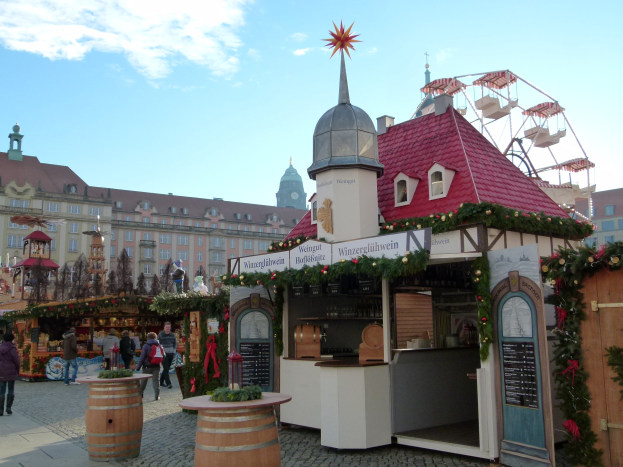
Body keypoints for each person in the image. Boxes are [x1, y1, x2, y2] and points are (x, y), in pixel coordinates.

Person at [136, 332, 164, 401]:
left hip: (147, 366)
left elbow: (142, 357)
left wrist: (138, 367)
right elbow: (164, 355)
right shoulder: (159, 345)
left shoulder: (145, 346)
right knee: (156, 381)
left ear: (147, 338)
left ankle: (140, 394)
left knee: (143, 381)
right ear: (155, 337)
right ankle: (157, 396)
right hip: (157, 366)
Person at [0, 332, 20, 415]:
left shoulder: (0, 348)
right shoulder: (12, 348)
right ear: (12, 339)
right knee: (11, 389)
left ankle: (0, 410)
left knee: (1, 391)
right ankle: (8, 408)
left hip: (1, 370)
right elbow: (16, 360)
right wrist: (17, 370)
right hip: (11, 371)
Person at [158, 322, 177, 389]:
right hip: (164, 354)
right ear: (164, 328)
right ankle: (169, 383)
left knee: (167, 368)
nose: (168, 329)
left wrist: (174, 351)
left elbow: (175, 343)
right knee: (166, 368)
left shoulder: (172, 335)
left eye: (169, 328)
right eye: (166, 327)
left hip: (171, 353)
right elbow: (158, 344)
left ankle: (161, 381)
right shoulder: (161, 335)